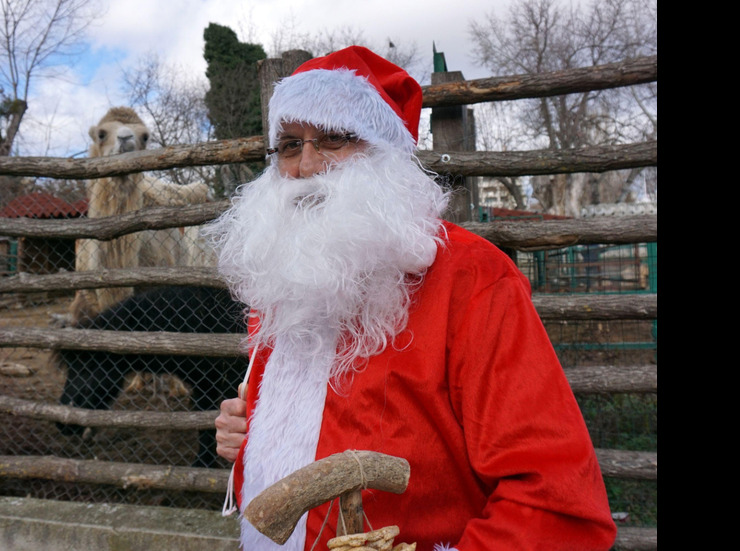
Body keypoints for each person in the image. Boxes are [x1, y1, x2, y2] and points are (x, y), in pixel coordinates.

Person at [204, 46, 617, 551]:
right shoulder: (285, 276)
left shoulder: (473, 277)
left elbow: (557, 508)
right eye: (289, 145)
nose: (305, 165)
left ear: (387, 152)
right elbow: (315, 426)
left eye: (334, 138)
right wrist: (248, 440)